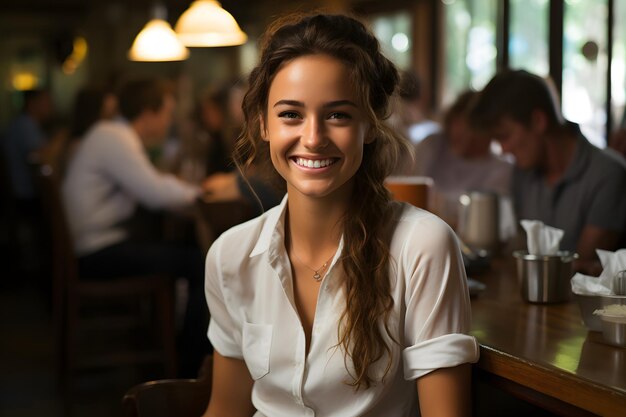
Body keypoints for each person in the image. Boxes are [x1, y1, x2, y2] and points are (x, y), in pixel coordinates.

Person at [203, 13, 479, 417]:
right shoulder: (230, 255)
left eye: (338, 115)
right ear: (262, 124)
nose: (313, 138)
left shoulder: (422, 246)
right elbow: (225, 410)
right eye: (290, 114)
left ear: (369, 125)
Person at [62, 77, 211, 377]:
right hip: (94, 253)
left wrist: (187, 191)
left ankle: (170, 344)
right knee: (200, 263)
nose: (168, 122)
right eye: (166, 113)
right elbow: (154, 192)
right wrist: (204, 193)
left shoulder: (113, 134)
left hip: (94, 245)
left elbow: (151, 183)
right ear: (148, 113)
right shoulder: (114, 137)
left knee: (180, 250)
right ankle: (189, 366)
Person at [470, 69, 626, 274]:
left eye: (505, 136)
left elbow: (580, 269)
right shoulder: (523, 173)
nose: (504, 149)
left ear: (538, 121)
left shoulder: (608, 174)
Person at [405, 90, 513, 231]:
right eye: (457, 122)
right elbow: (410, 190)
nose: (462, 132)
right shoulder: (432, 145)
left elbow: (482, 219)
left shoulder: (501, 167)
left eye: (472, 126)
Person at [2, 88, 54, 203]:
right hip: (26, 195)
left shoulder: (28, 124)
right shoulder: (25, 125)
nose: (50, 106)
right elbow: (41, 158)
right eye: (46, 101)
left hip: (27, 192)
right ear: (32, 103)